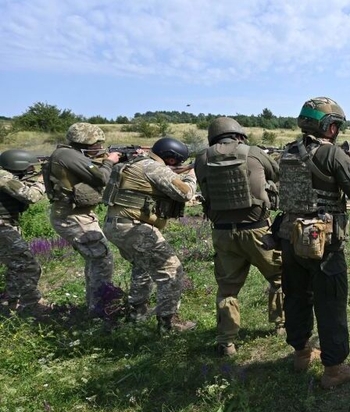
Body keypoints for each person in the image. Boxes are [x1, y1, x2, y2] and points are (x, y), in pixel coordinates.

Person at [277, 97, 350, 389]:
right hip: (323, 243)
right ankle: (334, 369)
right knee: (331, 303)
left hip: (289, 237)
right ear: (329, 127)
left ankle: (301, 354)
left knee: (296, 296)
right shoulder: (332, 154)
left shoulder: (288, 152)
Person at [194, 117, 283, 356]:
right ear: (239, 135)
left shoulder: (201, 159)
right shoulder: (253, 152)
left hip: (223, 233)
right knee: (279, 277)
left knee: (227, 289)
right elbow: (276, 173)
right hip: (257, 230)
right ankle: (281, 325)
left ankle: (226, 342)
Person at [102, 137, 197, 333]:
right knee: (171, 270)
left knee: (142, 267)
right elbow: (185, 193)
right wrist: (191, 175)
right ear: (170, 158)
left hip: (117, 225)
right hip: (134, 228)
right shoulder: (153, 167)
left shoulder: (136, 163)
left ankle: (137, 313)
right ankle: (169, 323)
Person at [44, 122, 119, 314]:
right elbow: (101, 178)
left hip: (78, 214)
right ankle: (101, 308)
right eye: (96, 143)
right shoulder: (68, 155)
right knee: (101, 259)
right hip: (73, 216)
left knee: (96, 259)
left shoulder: (69, 154)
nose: (99, 147)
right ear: (85, 141)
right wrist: (109, 161)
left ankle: (96, 304)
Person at [0, 149, 49, 314]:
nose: (32, 170)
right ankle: (32, 304)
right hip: (2, 227)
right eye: (29, 167)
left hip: (6, 226)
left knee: (15, 266)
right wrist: (41, 181)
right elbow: (30, 196)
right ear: (17, 165)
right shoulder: (4, 177)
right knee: (28, 266)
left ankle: (11, 301)